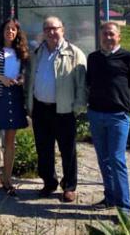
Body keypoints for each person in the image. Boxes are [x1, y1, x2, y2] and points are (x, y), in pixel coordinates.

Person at [26, 16, 87, 202]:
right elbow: (29, 79)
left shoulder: (75, 53)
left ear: (63, 30)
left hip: (64, 110)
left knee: (68, 150)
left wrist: (76, 109)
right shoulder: (37, 52)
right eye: (47, 29)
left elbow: (82, 86)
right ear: (43, 32)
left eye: (55, 28)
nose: (51, 32)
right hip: (40, 109)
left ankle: (69, 186)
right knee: (44, 149)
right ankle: (49, 183)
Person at [87, 21, 130, 215]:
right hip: (96, 114)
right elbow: (89, 83)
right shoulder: (93, 58)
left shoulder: (129, 58)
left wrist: (128, 106)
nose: (108, 37)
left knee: (117, 159)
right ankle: (109, 198)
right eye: (104, 34)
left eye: (111, 34)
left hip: (118, 116)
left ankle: (124, 208)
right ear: (100, 37)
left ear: (119, 36)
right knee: (103, 159)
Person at [0, 18, 30, 196]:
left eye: (14, 30)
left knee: (10, 141)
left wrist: (21, 79)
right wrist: (0, 78)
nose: (10, 32)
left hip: (14, 97)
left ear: (17, 33)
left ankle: (7, 180)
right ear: (2, 31)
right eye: (8, 29)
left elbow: (26, 72)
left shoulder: (21, 51)